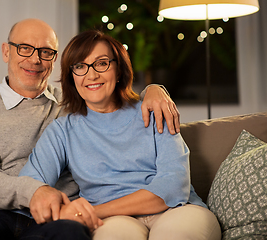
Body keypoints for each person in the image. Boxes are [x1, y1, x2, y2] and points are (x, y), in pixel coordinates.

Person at [0, 19, 180, 240]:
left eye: (45, 52)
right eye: (24, 48)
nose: (35, 59)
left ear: (55, 60)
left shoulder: (72, 105)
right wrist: (36, 191)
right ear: (6, 51)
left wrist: (155, 90)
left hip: (55, 219)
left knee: (70, 232)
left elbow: (109, 95)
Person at [19, 29, 221, 240]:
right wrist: (57, 205)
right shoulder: (62, 130)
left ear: (118, 69)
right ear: (72, 77)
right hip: (113, 221)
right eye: (80, 66)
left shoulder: (154, 110)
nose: (91, 74)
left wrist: (92, 212)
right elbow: (30, 184)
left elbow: (172, 188)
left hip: (178, 209)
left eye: (101, 63)